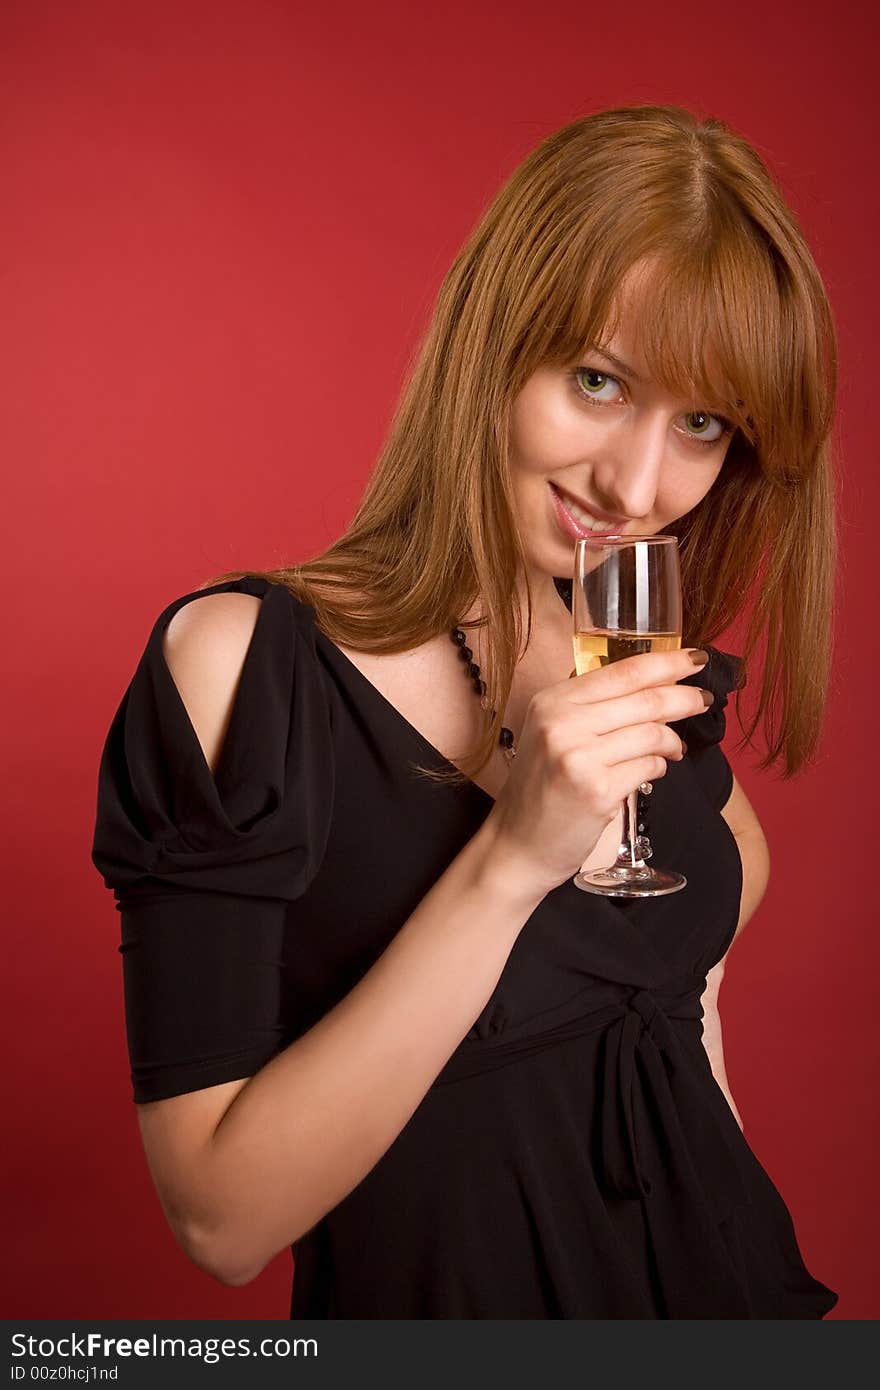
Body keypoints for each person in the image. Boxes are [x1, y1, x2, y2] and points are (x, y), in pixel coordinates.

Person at [90, 104, 839, 1318]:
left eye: (701, 425)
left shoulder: (642, 669)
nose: (636, 487)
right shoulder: (245, 662)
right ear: (490, 344)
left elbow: (680, 1044)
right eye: (598, 383)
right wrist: (509, 862)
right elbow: (221, 1219)